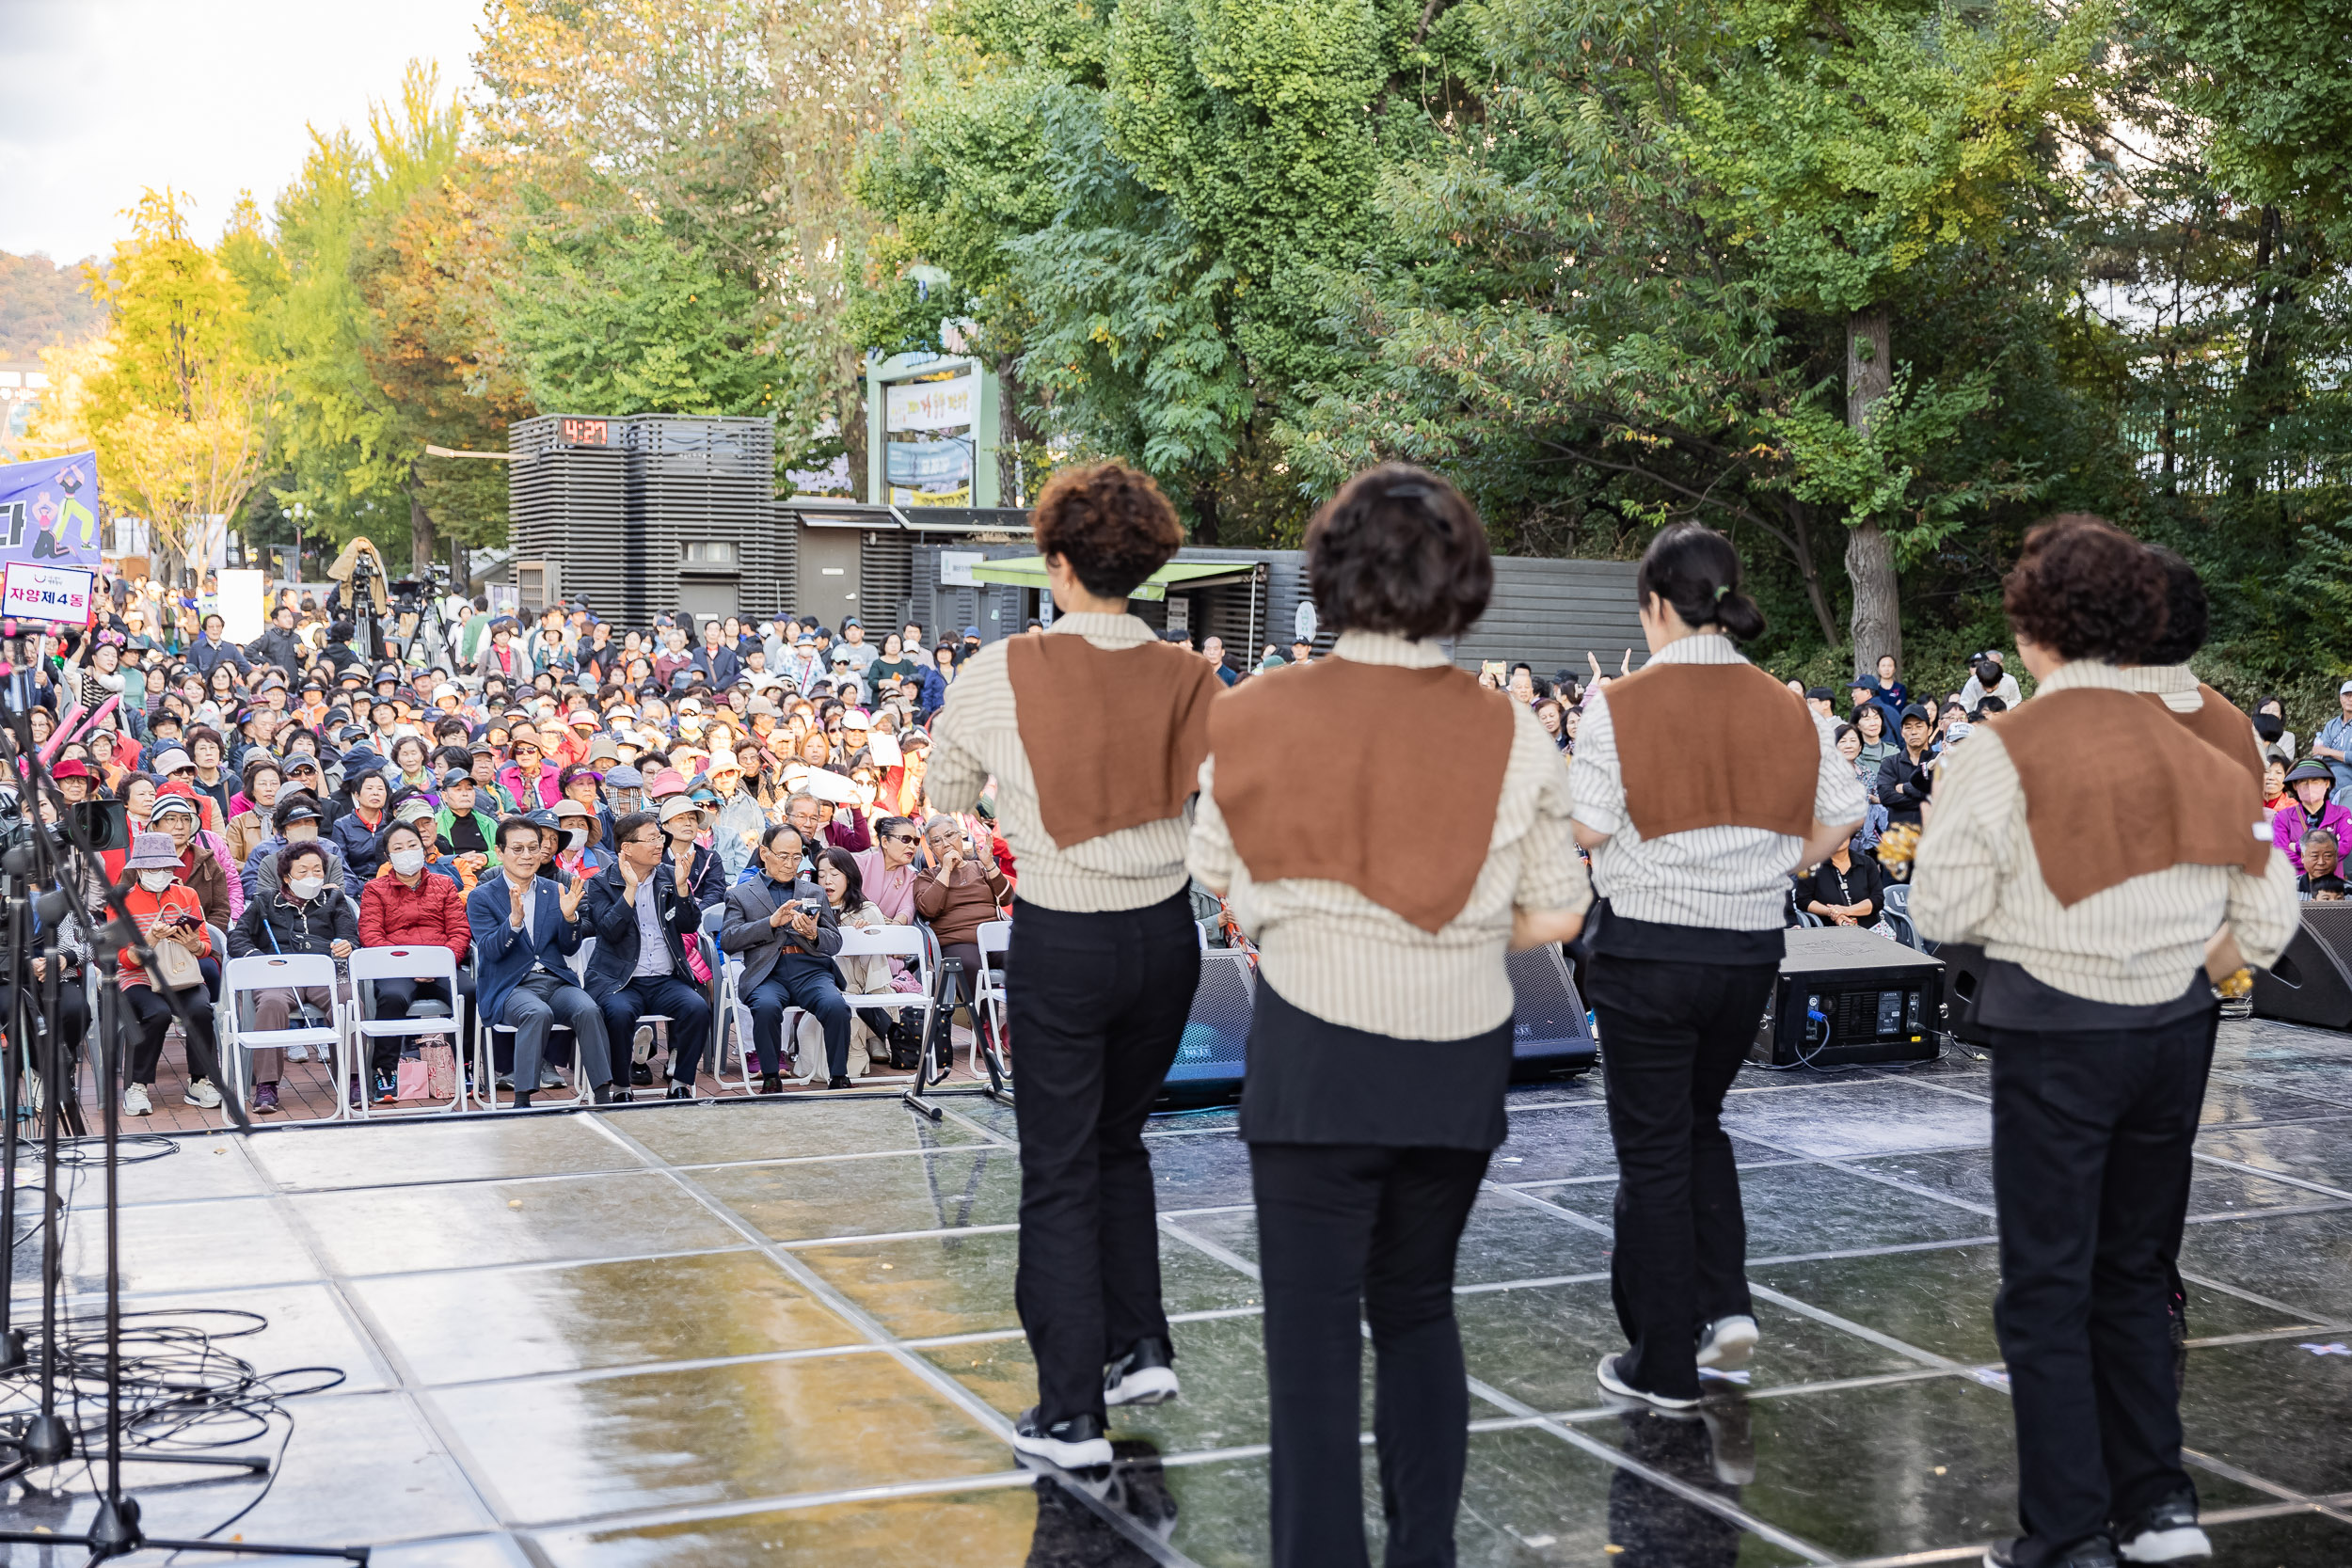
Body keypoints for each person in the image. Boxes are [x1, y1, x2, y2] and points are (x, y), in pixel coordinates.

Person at [1187, 463, 1590, 1565]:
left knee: (1309, 1343)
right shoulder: (1512, 730)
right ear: (1462, 579)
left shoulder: (1253, 709)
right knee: (1417, 1310)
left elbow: (1216, 866)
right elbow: (1559, 909)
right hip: (1455, 1059)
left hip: (1314, 1052)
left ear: (1328, 573)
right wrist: (1456, 930)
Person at [1910, 515, 2297, 1568]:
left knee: (2044, 1282)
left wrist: (2034, 920)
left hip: (2055, 1032)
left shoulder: (2000, 749)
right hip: (2176, 1032)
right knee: (2133, 1269)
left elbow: (1940, 904)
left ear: (2035, 628)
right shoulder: (2212, 754)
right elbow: (2267, 920)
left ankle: (2067, 1528)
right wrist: (2182, 950)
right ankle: (2160, 1507)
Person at [1568, 522, 1863, 1413]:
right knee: (1702, 1125)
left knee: (1653, 1152)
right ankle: (1723, 1307)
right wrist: (1777, 861)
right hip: (1746, 954)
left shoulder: (1619, 703)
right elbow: (1845, 815)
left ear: (1658, 604)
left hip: (1648, 949)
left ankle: (1662, 1362)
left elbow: (1584, 830)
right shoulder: (1790, 704)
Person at [467, 816, 614, 1107]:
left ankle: (603, 1094)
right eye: (518, 849)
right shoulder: (482, 896)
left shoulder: (552, 890)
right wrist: (514, 922)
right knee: (536, 1012)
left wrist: (571, 918)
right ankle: (522, 1099)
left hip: (555, 980)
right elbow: (490, 951)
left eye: (533, 848)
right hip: (510, 986)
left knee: (588, 1008)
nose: (527, 856)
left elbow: (569, 948)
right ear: (500, 852)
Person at [583, 811, 713, 1100]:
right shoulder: (602, 883)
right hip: (619, 980)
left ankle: (681, 1082)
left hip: (666, 979)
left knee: (696, 1007)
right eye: (652, 838)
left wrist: (682, 889)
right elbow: (609, 930)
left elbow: (689, 924)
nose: (660, 844)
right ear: (626, 848)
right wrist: (630, 889)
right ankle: (620, 1085)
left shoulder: (669, 876)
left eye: (660, 837)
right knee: (617, 1013)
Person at [229, 841, 359, 1113]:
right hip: (279, 976)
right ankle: (267, 1085)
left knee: (347, 999)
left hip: (325, 973)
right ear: (286, 877)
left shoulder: (335, 900)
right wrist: (257, 958)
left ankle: (353, 1078)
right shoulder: (265, 902)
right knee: (271, 1004)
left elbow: (351, 936)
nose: (312, 876)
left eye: (317, 870)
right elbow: (237, 937)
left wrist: (346, 945)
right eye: (303, 871)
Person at [723, 824, 850, 1091]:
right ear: (764, 853)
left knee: (836, 1006)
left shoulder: (812, 891)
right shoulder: (740, 894)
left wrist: (814, 935)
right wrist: (769, 923)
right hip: (767, 972)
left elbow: (835, 941)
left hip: (811, 970)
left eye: (796, 856)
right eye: (783, 855)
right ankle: (771, 1077)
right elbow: (729, 940)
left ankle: (839, 1077)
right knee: (766, 1007)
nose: (790, 864)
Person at [358, 820, 473, 1103]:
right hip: (397, 967)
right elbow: (371, 936)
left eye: (412, 845)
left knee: (468, 992)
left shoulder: (444, 884)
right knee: (392, 997)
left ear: (424, 849)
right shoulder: (375, 890)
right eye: (398, 848)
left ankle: (468, 1064)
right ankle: (385, 1070)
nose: (406, 852)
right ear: (388, 856)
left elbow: (459, 931)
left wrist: (439, 964)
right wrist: (408, 966)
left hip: (441, 965)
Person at [117, 831, 226, 1117]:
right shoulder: (122, 902)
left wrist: (194, 944)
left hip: (181, 974)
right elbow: (123, 960)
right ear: (139, 868)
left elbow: (203, 948)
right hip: (138, 978)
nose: (160, 873)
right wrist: (150, 940)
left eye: (166, 867)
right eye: (153, 867)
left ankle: (199, 1080)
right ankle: (136, 1085)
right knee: (158, 1013)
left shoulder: (187, 895)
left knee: (201, 1009)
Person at [2272, 760, 2351, 873]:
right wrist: (2325, 852)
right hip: (2297, 885)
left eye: (2315, 781)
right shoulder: (2283, 817)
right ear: (2295, 786)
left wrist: (2298, 846)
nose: (2309, 787)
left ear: (2327, 783)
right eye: (2303, 782)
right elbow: (2281, 852)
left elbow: (2345, 847)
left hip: (2332, 885)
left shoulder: (2341, 813)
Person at [1877, 705, 1937, 827]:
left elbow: (1945, 797)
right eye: (1908, 727)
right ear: (1902, 732)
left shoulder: (1938, 761)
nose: (1913, 732)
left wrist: (1905, 788)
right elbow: (1886, 796)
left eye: (1919, 726)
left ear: (1929, 729)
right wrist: (1927, 799)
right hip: (1898, 838)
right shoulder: (1890, 763)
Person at [1803, 836, 1883, 926]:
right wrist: (1832, 912)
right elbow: (1803, 900)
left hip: (1869, 930)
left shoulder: (1867, 863)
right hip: (1827, 930)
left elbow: (1878, 899)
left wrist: (1846, 910)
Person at [2310, 681, 2352, 807]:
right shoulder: (2331, 725)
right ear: (2340, 698)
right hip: (2328, 775)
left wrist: (2328, 752)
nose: (2350, 699)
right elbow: (2319, 753)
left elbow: (2324, 751)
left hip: (2348, 780)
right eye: (2346, 695)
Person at [2298, 830, 2348, 899]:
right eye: (2315, 856)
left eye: (2327, 856)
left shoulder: (2349, 890)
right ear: (2303, 857)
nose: (2321, 862)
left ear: (2336, 856)